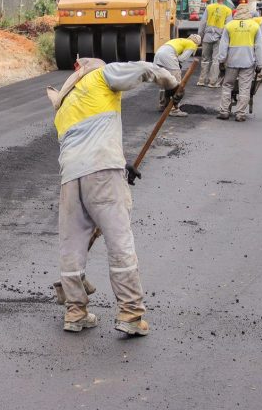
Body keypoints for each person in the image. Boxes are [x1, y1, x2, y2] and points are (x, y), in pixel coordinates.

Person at [46, 58, 181, 336]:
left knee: (72, 246)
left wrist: (122, 166)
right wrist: (172, 83)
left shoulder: (62, 109)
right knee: (119, 240)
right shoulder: (100, 76)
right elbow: (144, 69)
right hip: (103, 172)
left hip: (71, 177)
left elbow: (87, 142)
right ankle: (131, 313)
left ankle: (75, 312)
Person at [216, 4, 262, 122]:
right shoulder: (255, 26)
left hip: (231, 62)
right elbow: (259, 47)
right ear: (248, 12)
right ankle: (240, 114)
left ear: (236, 12)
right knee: (244, 88)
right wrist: (260, 64)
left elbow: (223, 46)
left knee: (227, 85)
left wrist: (221, 60)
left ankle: (224, 112)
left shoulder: (229, 25)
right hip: (248, 62)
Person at [153, 34, 201, 116]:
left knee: (164, 82)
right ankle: (173, 109)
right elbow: (182, 59)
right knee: (176, 84)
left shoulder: (180, 40)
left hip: (158, 55)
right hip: (168, 57)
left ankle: (163, 105)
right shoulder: (192, 44)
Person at [197, 0, 233, 88]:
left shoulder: (209, 7)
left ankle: (201, 80)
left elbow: (203, 22)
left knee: (205, 59)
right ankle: (212, 82)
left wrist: (200, 35)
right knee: (216, 60)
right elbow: (228, 26)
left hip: (207, 36)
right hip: (219, 38)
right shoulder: (228, 10)